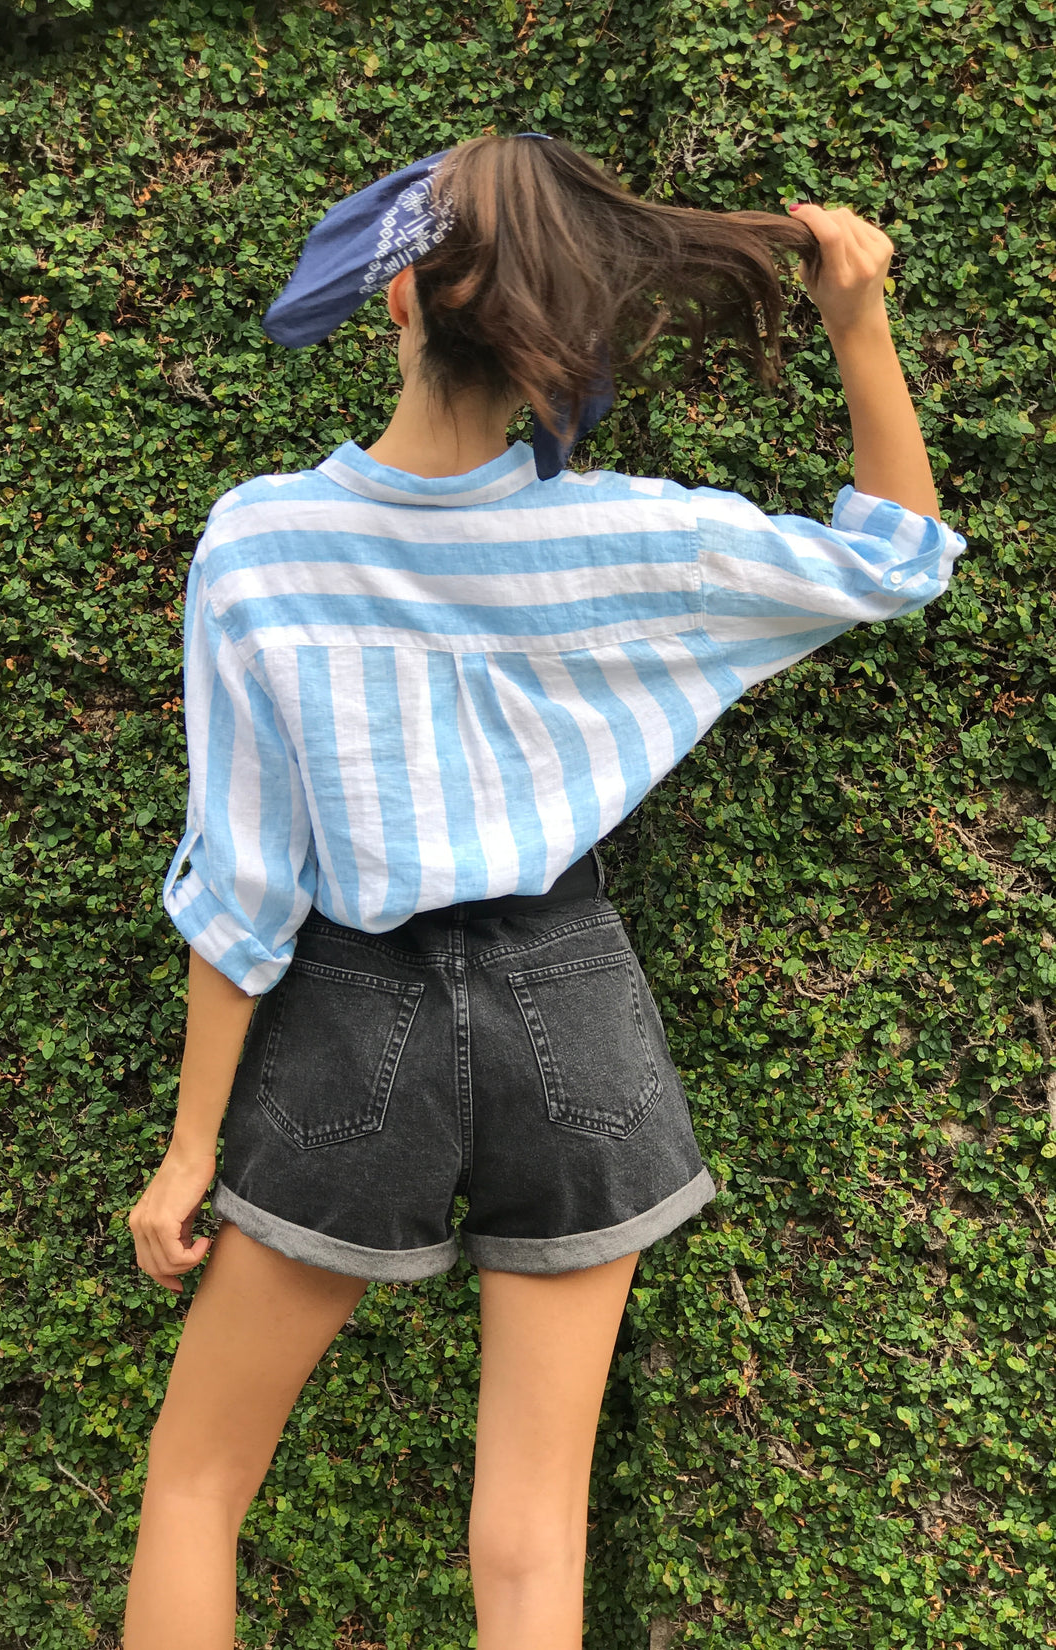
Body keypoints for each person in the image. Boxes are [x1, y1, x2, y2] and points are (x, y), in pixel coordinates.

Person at [122, 133, 965, 1650]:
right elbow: (899, 557)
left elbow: (242, 890)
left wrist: (191, 1152)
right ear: (553, 333)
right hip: (576, 1011)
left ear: (395, 303)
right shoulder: (628, 534)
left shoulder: (260, 543)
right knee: (530, 1538)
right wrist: (859, 315)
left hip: (349, 1016)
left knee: (196, 1486)